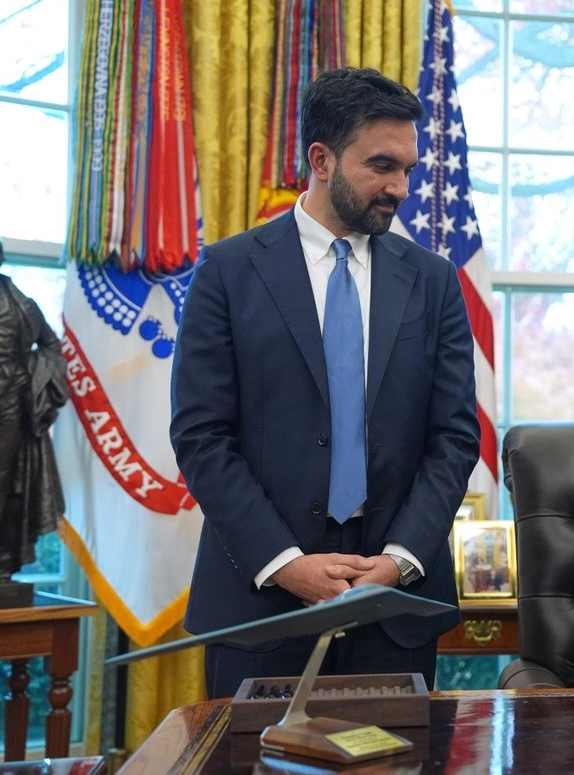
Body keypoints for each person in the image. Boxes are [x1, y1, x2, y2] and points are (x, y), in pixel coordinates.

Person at [170, 67, 481, 698]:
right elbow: (202, 436)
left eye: (408, 171)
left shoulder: (434, 281)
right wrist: (287, 565)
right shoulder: (227, 271)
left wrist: (399, 561)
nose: (399, 187)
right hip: (259, 608)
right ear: (321, 158)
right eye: (381, 166)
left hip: (394, 610)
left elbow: (453, 437)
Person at [0, 234, 68, 583]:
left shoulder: (22, 304)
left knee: (1, 479)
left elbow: (52, 345)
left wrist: (33, 373)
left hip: (9, 401)